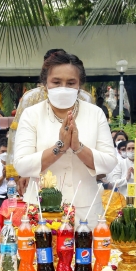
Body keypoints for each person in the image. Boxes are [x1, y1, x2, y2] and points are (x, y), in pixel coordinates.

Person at [13, 51, 117, 218]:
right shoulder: (31, 114)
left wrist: (78, 147)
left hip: (87, 209)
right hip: (41, 211)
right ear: (45, 83)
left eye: (70, 83)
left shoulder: (95, 113)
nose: (63, 88)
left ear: (80, 84)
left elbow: (109, 162)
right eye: (56, 82)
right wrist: (59, 147)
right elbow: (21, 165)